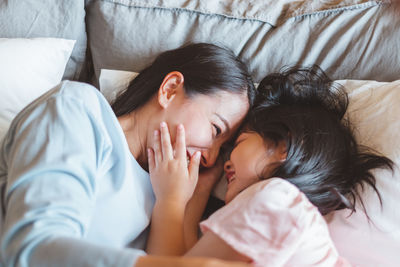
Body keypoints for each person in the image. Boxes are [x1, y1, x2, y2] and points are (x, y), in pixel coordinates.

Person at [0, 43, 256, 267]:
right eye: (215, 129)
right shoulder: (79, 110)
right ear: (170, 89)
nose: (210, 158)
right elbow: (30, 252)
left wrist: (184, 198)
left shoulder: (168, 192)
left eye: (222, 149)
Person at [147, 66, 394, 266]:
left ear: (283, 147)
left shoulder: (277, 199)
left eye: (239, 142)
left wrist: (170, 200)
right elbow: (187, 261)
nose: (226, 160)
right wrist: (198, 194)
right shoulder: (289, 217)